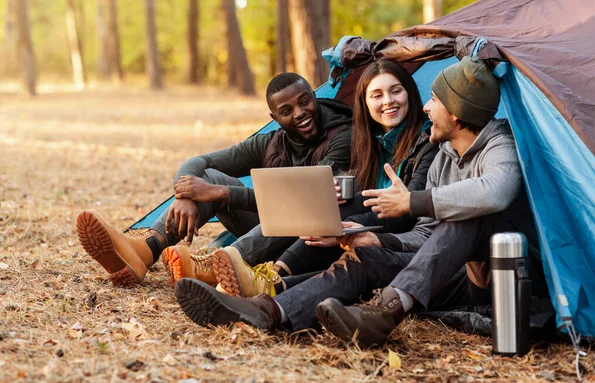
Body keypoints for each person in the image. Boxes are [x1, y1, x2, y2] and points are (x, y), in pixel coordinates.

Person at [173, 57, 547, 347]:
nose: (427, 107)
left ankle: (386, 309)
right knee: (366, 254)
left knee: (470, 216)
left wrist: (413, 201)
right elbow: (425, 235)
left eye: (433, 99)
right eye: (376, 95)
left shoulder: (500, 144)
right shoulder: (443, 153)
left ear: (456, 110)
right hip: (434, 270)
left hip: (491, 279)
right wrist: (375, 239)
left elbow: (495, 192)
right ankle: (267, 306)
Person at [176, 59, 439, 298]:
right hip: (341, 229)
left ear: (410, 93)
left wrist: (344, 226)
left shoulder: (423, 141)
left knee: (318, 204)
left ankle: (263, 275)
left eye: (396, 91)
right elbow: (203, 162)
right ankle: (153, 245)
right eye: (377, 95)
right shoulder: (368, 141)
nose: (388, 102)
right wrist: (184, 191)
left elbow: (407, 209)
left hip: (387, 236)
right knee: (322, 202)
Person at [76, 72, 353, 288]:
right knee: (205, 177)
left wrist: (220, 193)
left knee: (297, 208)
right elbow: (200, 162)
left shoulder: (342, 135)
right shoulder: (272, 142)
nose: (300, 113)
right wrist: (187, 193)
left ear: (314, 98)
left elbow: (311, 197)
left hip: (314, 243)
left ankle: (215, 265)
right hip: (268, 233)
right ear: (275, 117)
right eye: (287, 110)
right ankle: (146, 250)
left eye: (305, 101)